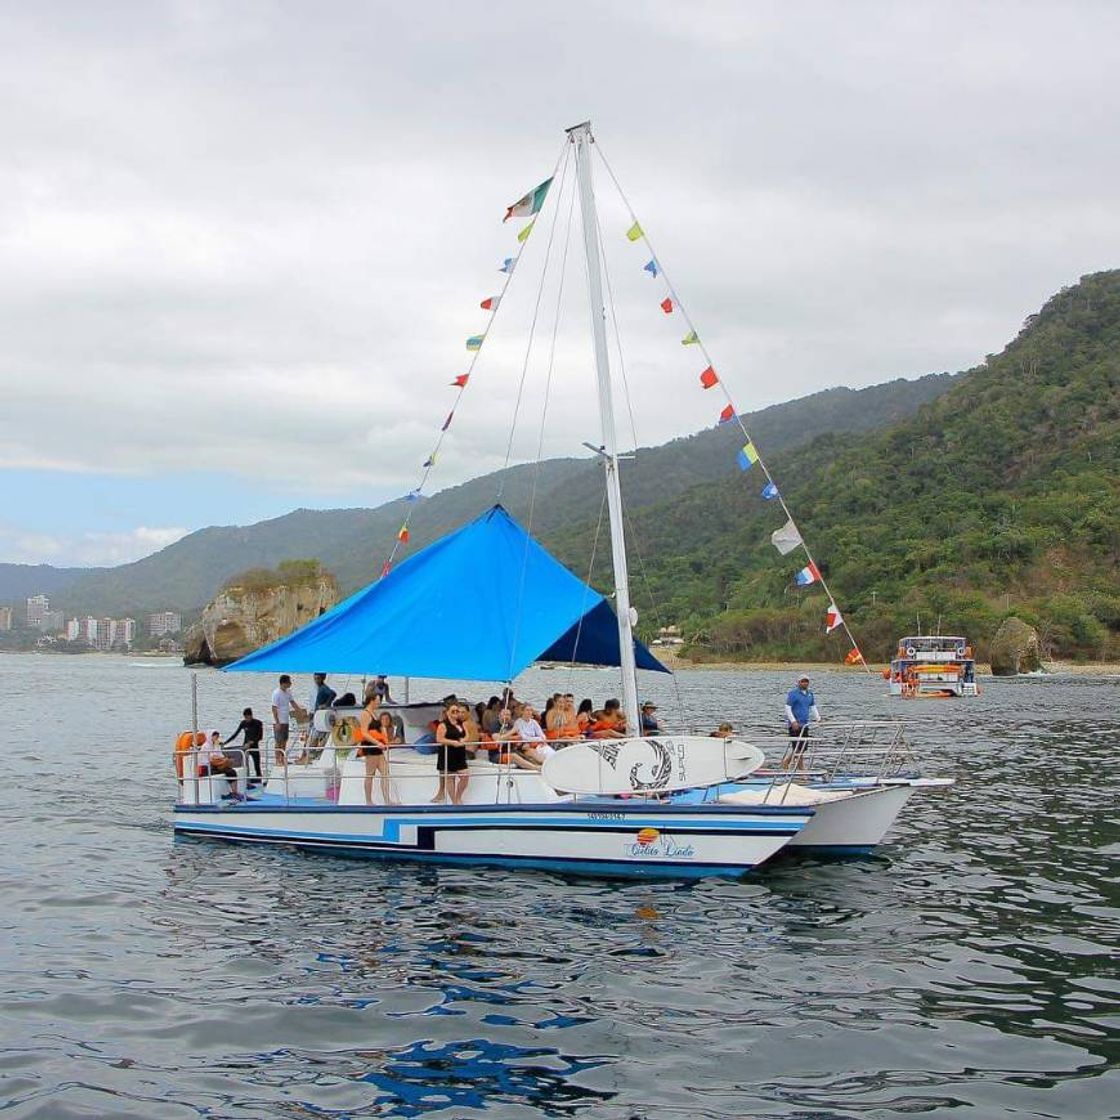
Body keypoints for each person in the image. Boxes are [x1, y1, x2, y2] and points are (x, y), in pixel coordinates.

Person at [355, 692, 397, 806]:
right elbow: (364, 733)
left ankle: (387, 799)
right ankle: (369, 801)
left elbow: (379, 728)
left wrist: (384, 739)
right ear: (372, 700)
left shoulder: (374, 713)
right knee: (370, 774)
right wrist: (377, 742)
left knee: (385, 772)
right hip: (371, 747)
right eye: (378, 700)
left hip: (378, 748)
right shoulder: (365, 714)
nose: (379, 702)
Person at [434, 702, 470, 805]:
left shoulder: (461, 723)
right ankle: (454, 801)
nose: (455, 713)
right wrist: (453, 742)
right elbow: (439, 739)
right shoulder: (443, 725)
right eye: (453, 711)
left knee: (465, 776)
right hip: (448, 753)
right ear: (448, 713)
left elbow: (467, 735)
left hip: (460, 753)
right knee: (450, 778)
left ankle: (458, 797)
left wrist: (464, 740)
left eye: (457, 711)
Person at [782, 674, 821, 771]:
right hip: (795, 725)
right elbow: (788, 708)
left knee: (802, 748)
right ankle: (801, 769)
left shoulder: (810, 694)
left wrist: (818, 718)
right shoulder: (793, 694)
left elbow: (813, 707)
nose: (805, 683)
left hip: (805, 724)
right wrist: (793, 721)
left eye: (806, 681)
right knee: (798, 748)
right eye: (803, 681)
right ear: (798, 682)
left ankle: (787, 761)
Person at [223, 707, 264, 785]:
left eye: (247, 717)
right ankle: (246, 780)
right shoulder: (243, 723)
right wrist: (225, 742)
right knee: (245, 764)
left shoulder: (258, 723)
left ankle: (259, 780)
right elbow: (235, 734)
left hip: (254, 746)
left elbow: (260, 736)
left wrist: (252, 742)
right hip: (245, 746)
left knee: (257, 765)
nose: (246, 719)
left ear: (251, 716)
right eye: (245, 717)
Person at [271, 674, 306, 767]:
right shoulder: (276, 693)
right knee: (278, 741)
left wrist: (300, 711)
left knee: (284, 740)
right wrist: (277, 722)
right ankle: (278, 760)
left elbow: (292, 702)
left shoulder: (288, 692)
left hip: (286, 720)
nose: (290, 684)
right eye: (289, 682)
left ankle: (283, 758)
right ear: (284, 683)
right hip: (278, 721)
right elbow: (274, 708)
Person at [202, 729, 244, 800]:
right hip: (209, 767)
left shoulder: (216, 745)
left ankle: (234, 792)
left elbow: (220, 755)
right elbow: (211, 759)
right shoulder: (206, 746)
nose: (216, 738)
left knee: (232, 771)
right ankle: (233, 792)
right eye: (215, 736)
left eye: (217, 736)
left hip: (216, 765)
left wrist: (224, 760)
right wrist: (222, 760)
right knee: (228, 770)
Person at [306, 673, 337, 752]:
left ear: (323, 678)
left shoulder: (323, 688)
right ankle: (311, 754)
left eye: (318, 678)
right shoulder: (319, 688)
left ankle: (310, 754)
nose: (316, 680)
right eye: (315, 678)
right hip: (317, 715)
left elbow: (333, 694)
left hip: (320, 716)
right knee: (313, 735)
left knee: (314, 736)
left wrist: (326, 704)